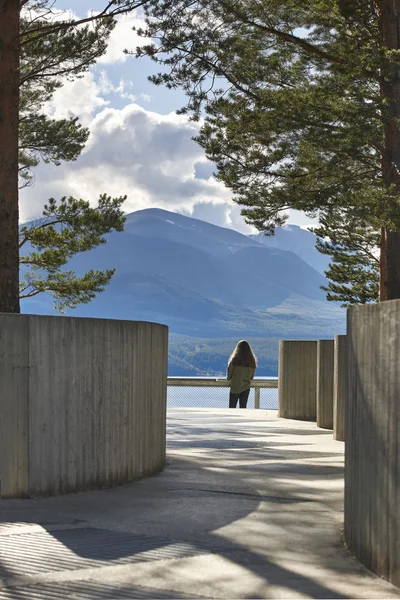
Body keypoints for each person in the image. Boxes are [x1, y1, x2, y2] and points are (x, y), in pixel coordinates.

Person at [226, 340, 256, 408]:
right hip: (246, 387)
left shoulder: (234, 360)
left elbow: (229, 374)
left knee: (232, 407)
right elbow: (251, 377)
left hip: (235, 387)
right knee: (243, 407)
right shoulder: (252, 362)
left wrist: (229, 378)